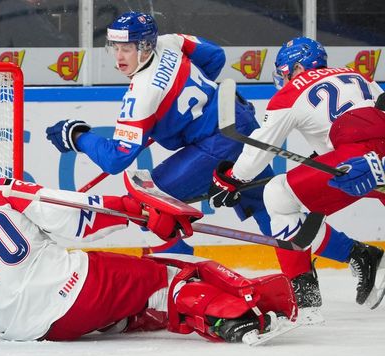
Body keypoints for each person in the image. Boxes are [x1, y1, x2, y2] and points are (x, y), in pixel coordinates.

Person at [0, 161, 297, 346]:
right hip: (74, 289)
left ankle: (146, 318)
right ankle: (235, 316)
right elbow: (74, 213)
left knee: (134, 307)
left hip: (39, 331)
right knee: (166, 279)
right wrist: (135, 212)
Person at [44, 11, 274, 256]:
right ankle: (302, 282)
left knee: (149, 203)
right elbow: (216, 57)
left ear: (144, 47)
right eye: (115, 48)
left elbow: (116, 159)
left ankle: (188, 280)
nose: (119, 57)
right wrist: (183, 106)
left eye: (127, 49)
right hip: (242, 120)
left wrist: (78, 136)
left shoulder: (141, 94)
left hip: (218, 144)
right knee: (270, 206)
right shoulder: (170, 41)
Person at [209, 37, 385, 318]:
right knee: (290, 199)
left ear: (298, 67)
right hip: (370, 157)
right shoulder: (357, 75)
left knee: (277, 195)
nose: (283, 77)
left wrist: (232, 178)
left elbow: (260, 148)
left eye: (284, 71)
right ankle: (355, 259)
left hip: (356, 160)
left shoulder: (291, 93)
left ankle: (306, 294)